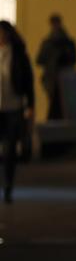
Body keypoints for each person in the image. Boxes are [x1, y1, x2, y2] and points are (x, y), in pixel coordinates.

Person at [0, 21, 35, 203]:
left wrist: (30, 106)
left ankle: (8, 186)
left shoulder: (19, 55)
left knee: (10, 149)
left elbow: (28, 81)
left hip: (13, 106)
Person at [35, 14, 76, 120]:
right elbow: (39, 60)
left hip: (62, 80)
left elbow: (73, 60)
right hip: (52, 79)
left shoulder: (66, 43)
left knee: (62, 108)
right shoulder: (49, 42)